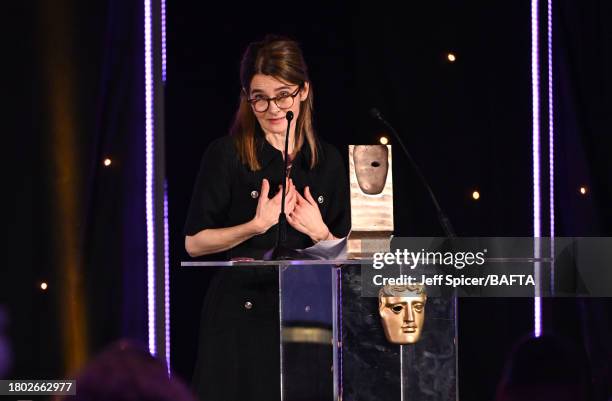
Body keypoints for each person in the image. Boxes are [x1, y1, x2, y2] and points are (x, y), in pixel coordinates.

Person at [183, 35, 351, 401]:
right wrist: (255, 226)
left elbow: (351, 260)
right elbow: (194, 244)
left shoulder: (329, 162)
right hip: (239, 320)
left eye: (282, 95)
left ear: (304, 91)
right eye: (258, 97)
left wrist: (320, 232)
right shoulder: (227, 155)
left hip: (308, 320)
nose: (271, 108)